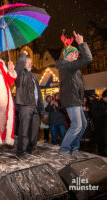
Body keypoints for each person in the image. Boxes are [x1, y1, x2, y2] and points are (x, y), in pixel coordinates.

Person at [56, 31, 92, 159]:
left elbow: (79, 85)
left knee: (83, 125)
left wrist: (82, 98)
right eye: (74, 52)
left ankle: (74, 148)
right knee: (76, 125)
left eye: (78, 52)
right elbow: (88, 58)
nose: (77, 54)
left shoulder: (74, 69)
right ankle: (64, 150)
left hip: (76, 100)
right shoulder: (66, 66)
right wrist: (81, 43)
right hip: (71, 100)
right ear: (67, 55)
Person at [15, 50, 44, 159]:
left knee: (34, 130)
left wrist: (41, 107)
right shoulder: (20, 74)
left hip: (34, 106)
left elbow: (38, 92)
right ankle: (21, 152)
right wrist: (23, 54)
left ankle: (31, 149)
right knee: (24, 129)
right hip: (25, 104)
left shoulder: (33, 76)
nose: (29, 64)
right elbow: (19, 65)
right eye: (27, 62)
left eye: (30, 62)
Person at [91, 90, 107, 157]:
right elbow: (95, 115)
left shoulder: (104, 103)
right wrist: (105, 112)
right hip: (99, 126)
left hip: (104, 126)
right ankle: (101, 152)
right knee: (101, 139)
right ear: (104, 97)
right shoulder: (97, 103)